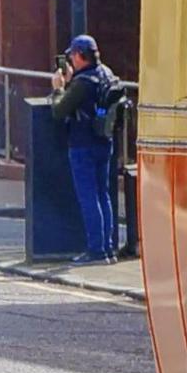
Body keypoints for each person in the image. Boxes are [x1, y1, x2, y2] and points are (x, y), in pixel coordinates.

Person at [51, 35, 124, 260]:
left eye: (72, 55)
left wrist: (59, 88)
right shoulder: (106, 74)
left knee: (88, 197)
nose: (70, 60)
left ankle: (95, 249)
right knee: (103, 194)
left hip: (82, 145)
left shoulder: (82, 83)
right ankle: (108, 246)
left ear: (81, 56)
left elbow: (59, 110)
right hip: (105, 142)